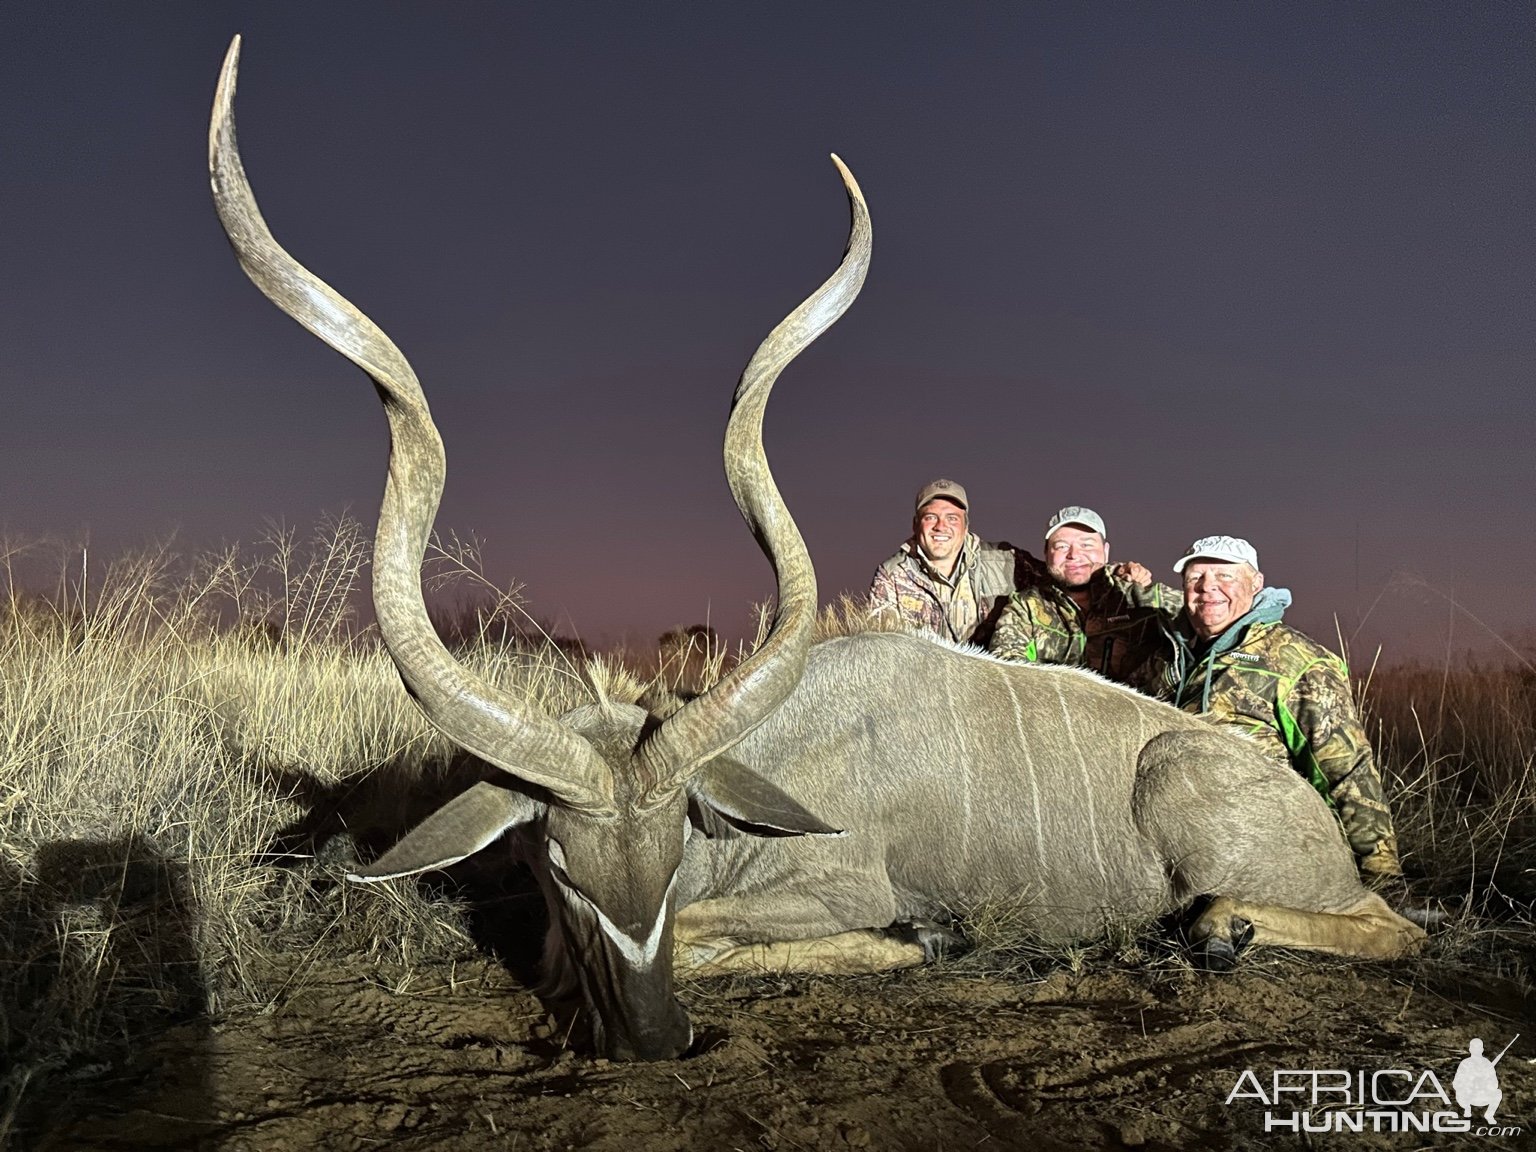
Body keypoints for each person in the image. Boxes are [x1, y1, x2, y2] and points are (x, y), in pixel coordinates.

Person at [1153, 535, 1404, 882]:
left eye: (1225, 575)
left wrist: (1379, 873)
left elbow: (1348, 772)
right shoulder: (1170, 656)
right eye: (1196, 577)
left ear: (1255, 584)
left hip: (1262, 843)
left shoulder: (1298, 661)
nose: (1208, 587)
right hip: (1173, 836)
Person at [988, 506, 1179, 690]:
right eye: (1061, 546)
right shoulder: (1025, 607)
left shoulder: (1140, 597)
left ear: (1105, 551)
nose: (1074, 555)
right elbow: (1006, 669)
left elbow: (1199, 616)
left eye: (1086, 545)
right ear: (1046, 554)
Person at [868, 479, 1030, 646]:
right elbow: (881, 647)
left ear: (966, 526)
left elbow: (1056, 581)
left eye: (952, 518)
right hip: (925, 671)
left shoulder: (1008, 561)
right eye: (930, 517)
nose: (941, 526)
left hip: (992, 670)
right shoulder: (891, 575)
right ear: (915, 524)